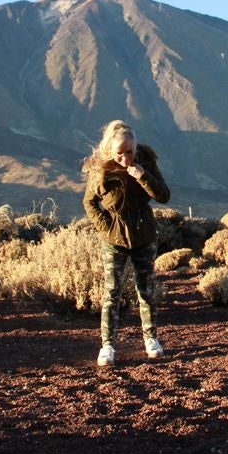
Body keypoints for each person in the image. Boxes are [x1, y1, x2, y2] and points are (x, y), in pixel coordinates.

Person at [82, 119, 171, 367]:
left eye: (129, 153)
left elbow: (163, 195)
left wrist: (143, 176)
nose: (125, 159)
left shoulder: (146, 161)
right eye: (119, 154)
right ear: (111, 150)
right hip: (114, 239)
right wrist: (106, 227)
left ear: (135, 149)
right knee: (111, 292)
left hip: (144, 236)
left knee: (146, 290)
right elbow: (89, 202)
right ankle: (107, 345)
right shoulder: (101, 169)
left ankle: (151, 339)